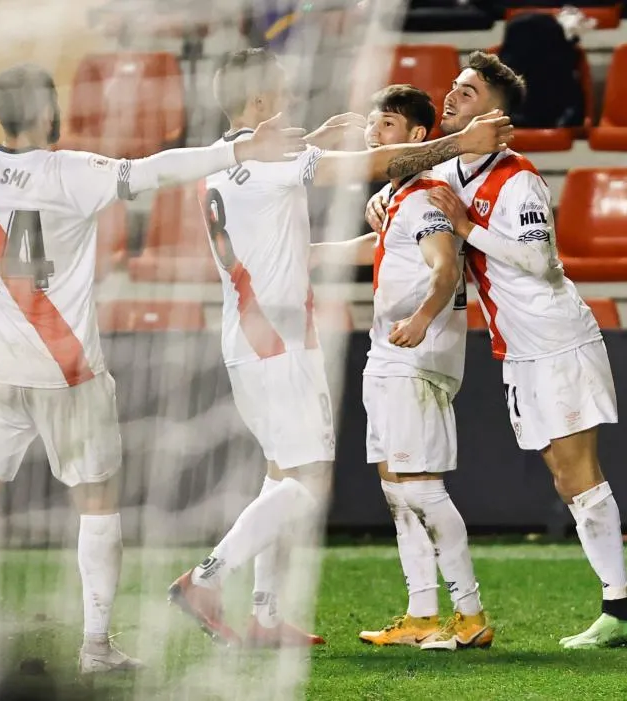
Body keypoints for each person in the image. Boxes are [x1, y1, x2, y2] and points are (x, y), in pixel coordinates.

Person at [0, 63, 310, 674]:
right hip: (68, 372)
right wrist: (233, 147)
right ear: (48, 111)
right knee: (98, 505)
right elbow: (156, 171)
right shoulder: (73, 172)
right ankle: (96, 648)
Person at [167, 48, 514, 647]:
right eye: (279, 92)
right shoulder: (279, 160)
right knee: (308, 482)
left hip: (244, 335)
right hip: (280, 339)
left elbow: (284, 154)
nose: (288, 100)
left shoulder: (220, 162)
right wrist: (463, 143)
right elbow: (378, 160)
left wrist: (318, 135)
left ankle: (266, 616)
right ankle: (205, 578)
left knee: (281, 475)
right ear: (258, 102)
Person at [366, 52, 627, 649]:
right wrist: (385, 205)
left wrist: (468, 228)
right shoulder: (449, 176)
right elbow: (402, 174)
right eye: (453, 90)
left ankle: (620, 609)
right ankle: (619, 607)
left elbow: (542, 261)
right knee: (563, 479)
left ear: (494, 112)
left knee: (580, 477)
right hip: (518, 348)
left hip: (556, 339)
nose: (450, 99)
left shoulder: (518, 177)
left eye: (466, 94)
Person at [311, 84, 490, 651]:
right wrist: (318, 253)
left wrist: (418, 320)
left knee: (421, 487)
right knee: (396, 489)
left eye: (386, 125)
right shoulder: (401, 197)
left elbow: (444, 269)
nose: (373, 134)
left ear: (417, 137)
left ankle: (470, 613)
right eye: (372, 124)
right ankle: (419, 614)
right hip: (387, 356)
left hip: (413, 357)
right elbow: (389, 247)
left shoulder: (425, 195)